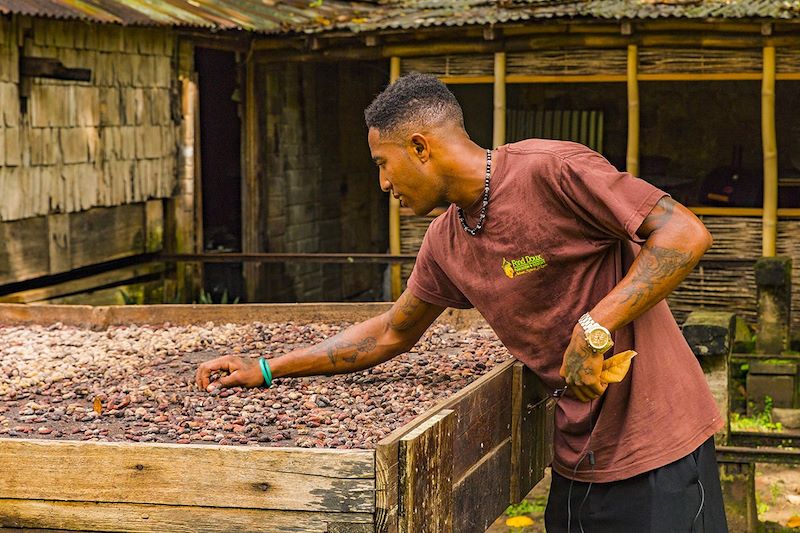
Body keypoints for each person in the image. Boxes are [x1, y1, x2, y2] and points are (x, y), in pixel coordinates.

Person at [196, 72, 728, 532]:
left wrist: (594, 327)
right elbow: (391, 332)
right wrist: (267, 367)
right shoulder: (446, 243)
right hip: (577, 458)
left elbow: (683, 233)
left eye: (384, 163)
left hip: (660, 450)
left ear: (421, 147)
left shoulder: (551, 169)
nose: (383, 183)